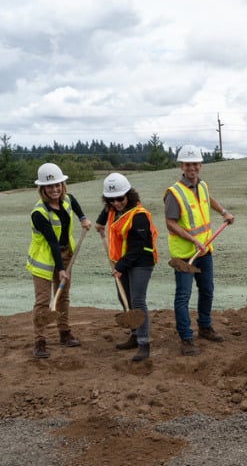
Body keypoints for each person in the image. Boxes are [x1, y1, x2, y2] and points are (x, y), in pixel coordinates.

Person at [164, 145, 234, 356]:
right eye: (188, 164)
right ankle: (186, 337)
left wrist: (223, 211)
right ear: (181, 166)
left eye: (195, 164)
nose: (192, 168)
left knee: (207, 290)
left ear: (200, 165)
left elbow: (208, 199)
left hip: (205, 251)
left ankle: (204, 326)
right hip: (185, 255)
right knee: (183, 296)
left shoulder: (202, 185)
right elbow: (170, 223)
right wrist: (192, 239)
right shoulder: (174, 193)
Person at [26, 162, 93, 358]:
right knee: (43, 301)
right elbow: (53, 242)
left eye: (58, 185)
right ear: (42, 189)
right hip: (44, 260)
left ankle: (64, 333)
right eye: (50, 186)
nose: (55, 189)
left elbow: (74, 202)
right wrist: (61, 268)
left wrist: (82, 218)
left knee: (62, 296)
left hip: (66, 254)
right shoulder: (39, 213)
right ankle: (39, 341)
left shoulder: (67, 199)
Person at [95, 173, 158, 362]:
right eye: (111, 199)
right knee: (125, 299)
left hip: (141, 261)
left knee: (138, 301)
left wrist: (120, 267)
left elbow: (137, 248)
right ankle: (134, 334)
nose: (117, 203)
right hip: (121, 261)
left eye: (120, 198)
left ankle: (144, 343)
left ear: (129, 195)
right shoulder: (112, 209)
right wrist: (99, 224)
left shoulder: (139, 217)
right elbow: (106, 213)